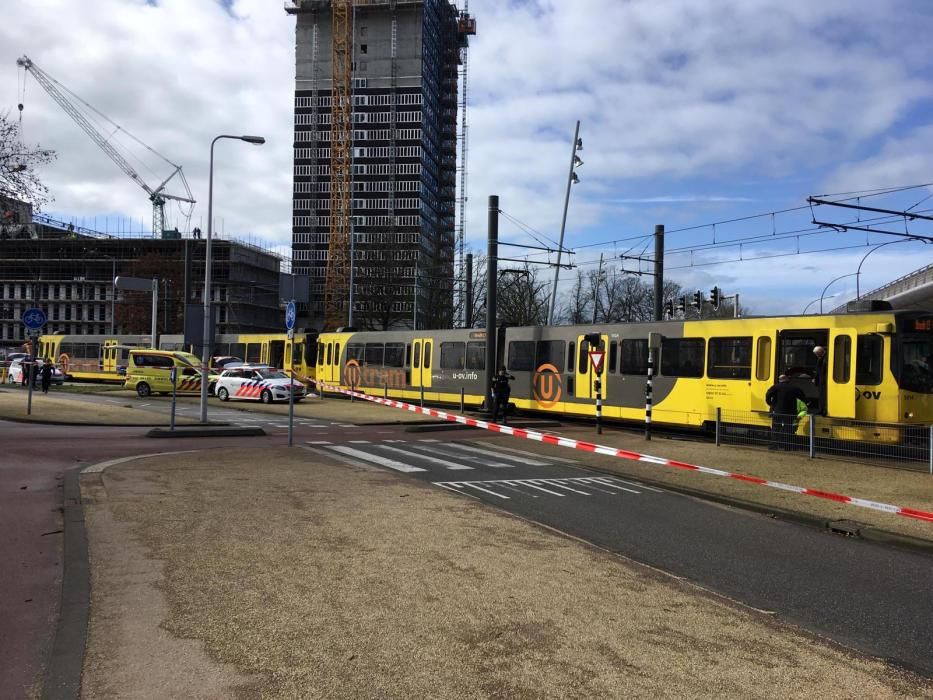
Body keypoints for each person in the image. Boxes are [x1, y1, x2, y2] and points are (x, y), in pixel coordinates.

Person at [765, 374, 807, 450]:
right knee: (788, 429)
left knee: (776, 428)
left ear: (780, 380)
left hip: (778, 411)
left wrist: (770, 403)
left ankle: (774, 445)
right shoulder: (794, 388)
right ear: (787, 380)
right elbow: (803, 397)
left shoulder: (775, 387)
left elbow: (768, 394)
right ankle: (787, 446)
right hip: (790, 413)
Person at [812, 345, 827, 414]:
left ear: (820, 352)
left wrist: (816, 378)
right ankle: (821, 410)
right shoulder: (821, 357)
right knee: (821, 396)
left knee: (823, 396)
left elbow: (821, 370)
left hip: (823, 380)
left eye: (816, 354)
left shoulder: (825, 357)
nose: (816, 355)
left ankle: (823, 410)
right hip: (821, 380)